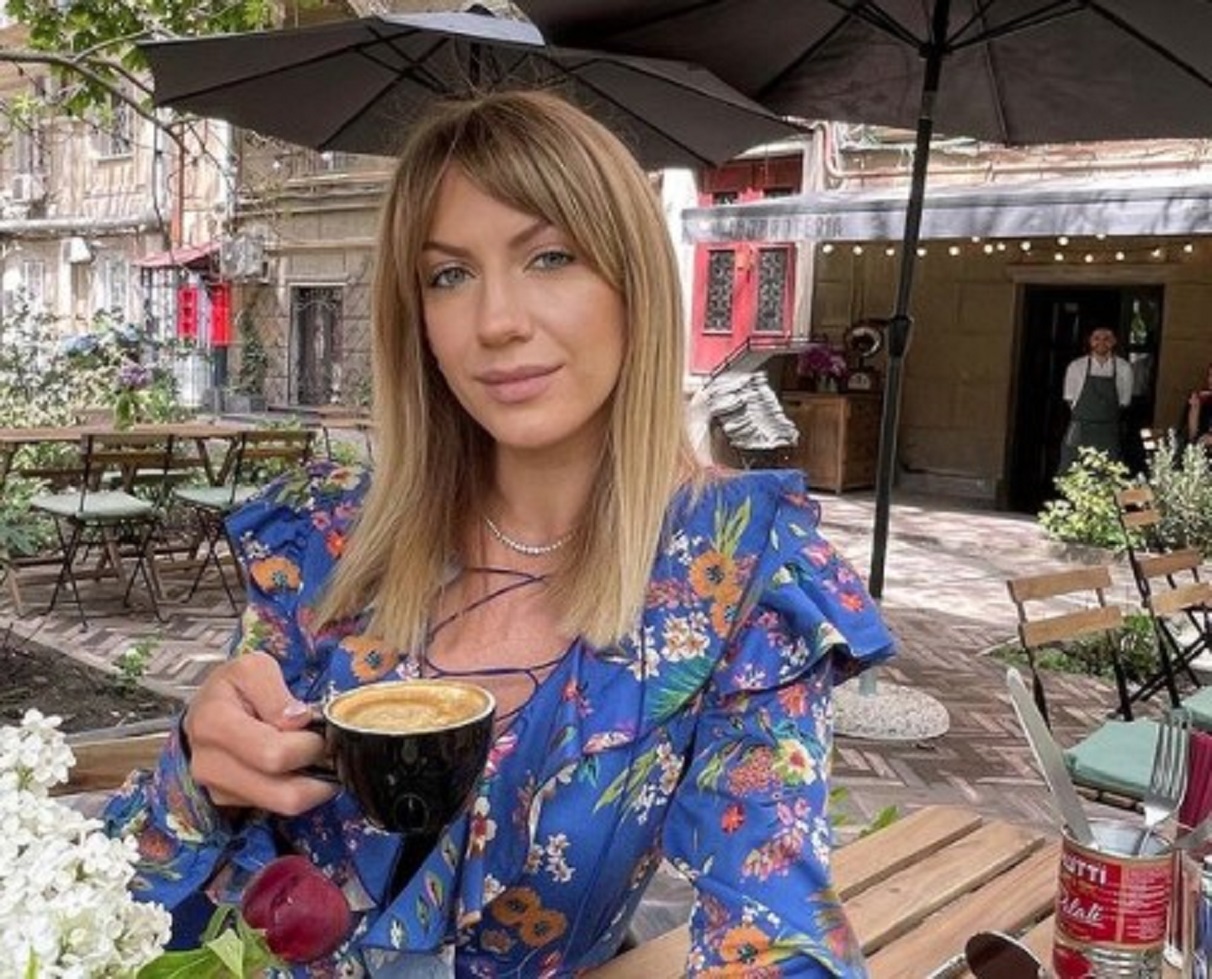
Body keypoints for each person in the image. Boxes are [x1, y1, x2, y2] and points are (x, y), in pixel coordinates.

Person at [104, 90, 894, 977]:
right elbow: (114, 895)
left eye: (550, 256)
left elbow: (776, 933)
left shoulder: (730, 574)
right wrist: (198, 767)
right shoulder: (329, 539)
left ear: (633, 282)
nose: (496, 322)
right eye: (449, 275)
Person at [1058, 325, 1133, 474]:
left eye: (1107, 339)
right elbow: (1069, 398)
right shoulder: (1076, 366)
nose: (1101, 342)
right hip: (1080, 428)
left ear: (1114, 342)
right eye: (1097, 338)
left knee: (1107, 472)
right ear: (1090, 341)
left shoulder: (1124, 368)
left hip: (1108, 431)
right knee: (1073, 471)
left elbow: (1124, 401)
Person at [1178, 361, 1212, 453]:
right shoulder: (1206, 401)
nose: (1210, 380)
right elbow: (1192, 436)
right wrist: (1194, 409)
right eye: (1209, 375)